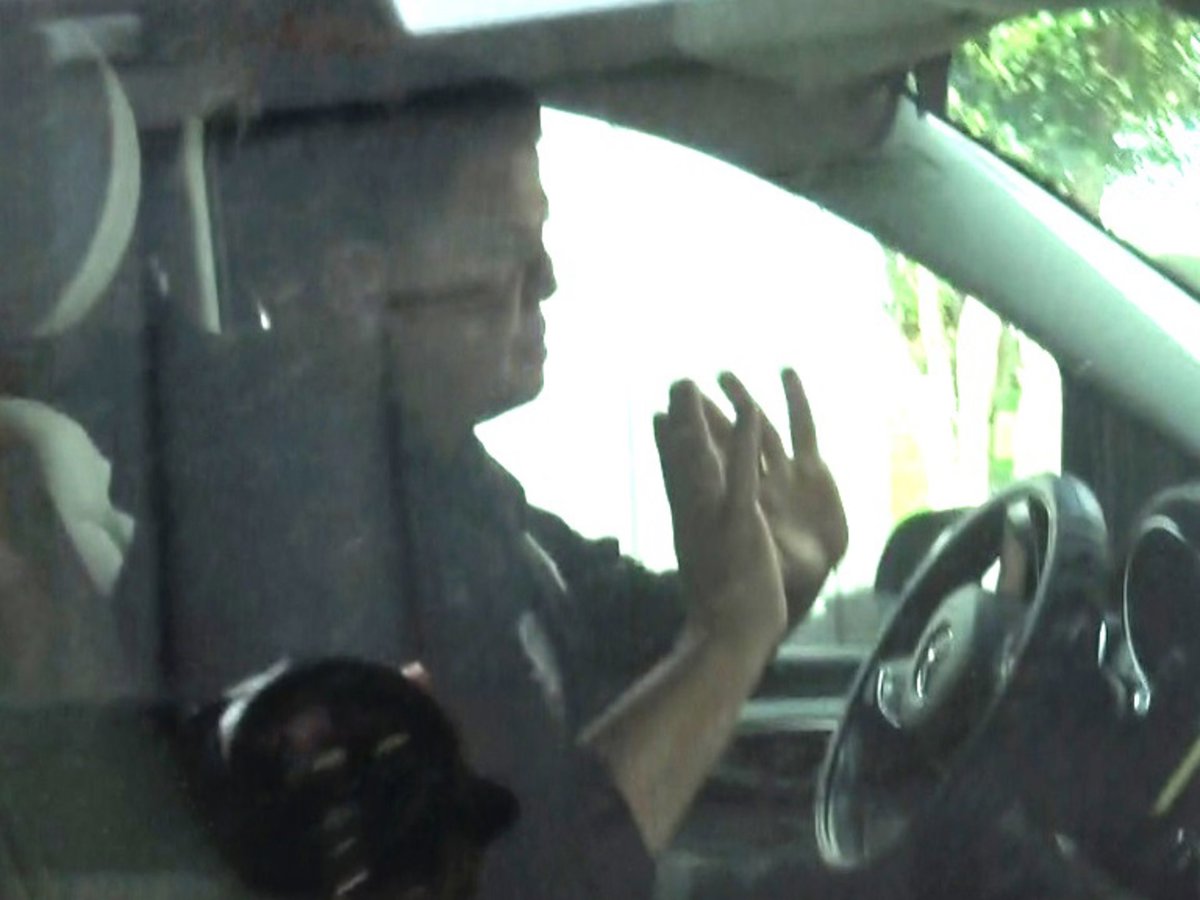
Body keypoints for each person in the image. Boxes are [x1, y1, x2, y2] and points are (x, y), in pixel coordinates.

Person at [122, 81, 848, 899]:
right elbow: (505, 878)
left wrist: (766, 585)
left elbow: (596, 625)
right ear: (360, 285)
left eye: (540, 242)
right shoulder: (285, 543)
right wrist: (726, 640)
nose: (548, 279)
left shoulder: (431, 473)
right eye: (505, 248)